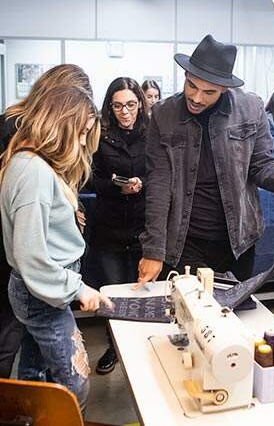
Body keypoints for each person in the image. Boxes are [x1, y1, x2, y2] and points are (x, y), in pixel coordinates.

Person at [137, 35, 274, 287]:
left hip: (237, 242)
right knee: (189, 312)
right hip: (184, 240)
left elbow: (262, 168)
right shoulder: (163, 114)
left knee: (232, 317)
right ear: (186, 76)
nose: (197, 98)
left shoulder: (250, 108)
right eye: (191, 86)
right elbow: (158, 183)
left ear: (224, 88)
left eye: (208, 92)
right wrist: (153, 249)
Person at [0, 85, 114, 412]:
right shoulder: (33, 171)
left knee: (36, 372)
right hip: (42, 291)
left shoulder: (30, 160)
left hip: (41, 288)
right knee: (74, 381)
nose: (81, 142)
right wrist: (78, 289)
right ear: (61, 123)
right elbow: (31, 257)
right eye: (81, 132)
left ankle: (31, 417)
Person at [0, 63, 92, 379]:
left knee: (34, 359)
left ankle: (29, 409)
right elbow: (29, 246)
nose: (83, 141)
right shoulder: (25, 154)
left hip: (31, 265)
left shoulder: (32, 151)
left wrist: (62, 210)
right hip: (27, 266)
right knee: (70, 374)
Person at [89, 77, 148, 375]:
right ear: (109, 107)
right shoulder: (99, 134)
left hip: (141, 228)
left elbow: (163, 175)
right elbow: (89, 178)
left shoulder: (152, 133)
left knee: (140, 293)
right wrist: (115, 186)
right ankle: (114, 347)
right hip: (109, 226)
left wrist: (143, 183)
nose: (125, 112)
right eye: (117, 106)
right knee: (112, 295)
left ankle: (136, 350)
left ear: (140, 103)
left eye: (130, 104)